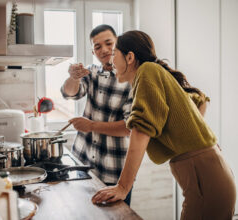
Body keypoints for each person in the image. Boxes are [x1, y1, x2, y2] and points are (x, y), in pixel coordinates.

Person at [91, 30, 236, 219]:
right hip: (209, 174)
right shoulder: (154, 74)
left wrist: (123, 187)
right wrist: (197, 139)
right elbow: (200, 100)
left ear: (129, 57)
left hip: (204, 177)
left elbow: (141, 129)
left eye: (114, 54)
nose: (111, 61)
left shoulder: (147, 71)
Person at [61, 25, 133, 205]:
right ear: (93, 52)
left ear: (119, 44)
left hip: (114, 171)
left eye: (109, 43)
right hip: (82, 164)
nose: (104, 50)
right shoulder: (91, 72)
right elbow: (70, 93)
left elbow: (128, 128)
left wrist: (91, 126)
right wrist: (73, 77)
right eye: (97, 46)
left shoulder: (131, 80)